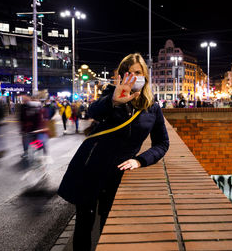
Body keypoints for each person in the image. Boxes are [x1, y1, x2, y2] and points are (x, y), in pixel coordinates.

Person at [58, 53, 169, 251]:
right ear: (120, 76)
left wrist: (140, 161)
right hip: (91, 167)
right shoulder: (111, 95)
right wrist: (114, 101)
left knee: (108, 227)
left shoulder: (152, 107)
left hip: (118, 174)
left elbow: (162, 143)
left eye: (138, 72)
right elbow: (92, 111)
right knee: (84, 224)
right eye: (128, 73)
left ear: (145, 76)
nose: (133, 77)